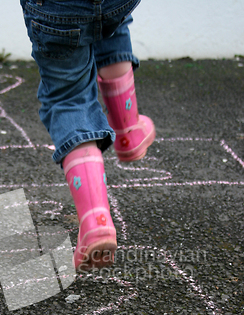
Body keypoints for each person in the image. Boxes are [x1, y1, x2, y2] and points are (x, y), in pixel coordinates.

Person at [20, 0, 155, 270]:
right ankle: (128, 130)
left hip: (56, 9)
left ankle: (96, 221)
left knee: (69, 97)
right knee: (112, 26)